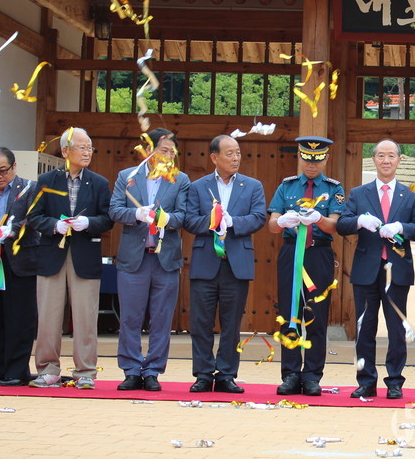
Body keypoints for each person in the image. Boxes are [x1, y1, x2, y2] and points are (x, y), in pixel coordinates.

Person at [336, 139, 415, 400]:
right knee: (365, 327)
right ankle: (366, 381)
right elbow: (342, 224)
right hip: (366, 269)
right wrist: (359, 221)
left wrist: (401, 228)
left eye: (391, 156)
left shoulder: (409, 196)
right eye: (381, 156)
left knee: (397, 329)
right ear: (374, 159)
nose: (386, 161)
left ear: (399, 160)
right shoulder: (359, 193)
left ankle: (395, 381)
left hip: (397, 270)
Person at [28, 128, 114, 389]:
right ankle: (48, 369)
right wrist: (55, 225)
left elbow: (108, 218)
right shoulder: (46, 180)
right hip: (52, 254)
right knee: (48, 317)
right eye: (82, 147)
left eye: (90, 147)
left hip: (84, 255)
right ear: (66, 151)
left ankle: (86, 372)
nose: (87, 152)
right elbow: (33, 216)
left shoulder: (98, 182)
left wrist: (88, 222)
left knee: (86, 317)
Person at [108, 128, 190, 391]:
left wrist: (165, 218)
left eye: (172, 152)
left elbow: (184, 216)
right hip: (134, 258)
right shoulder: (128, 177)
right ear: (149, 150)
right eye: (163, 150)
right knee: (130, 317)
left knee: (161, 318)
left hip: (165, 259)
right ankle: (131, 369)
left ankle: (153, 370)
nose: (168, 156)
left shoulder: (181, 180)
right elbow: (115, 210)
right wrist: (137, 214)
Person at [184, 135, 266, 394]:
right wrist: (212, 220)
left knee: (231, 324)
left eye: (238, 153)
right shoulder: (198, 187)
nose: (235, 158)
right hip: (205, 262)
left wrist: (233, 223)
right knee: (201, 322)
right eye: (229, 153)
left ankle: (227, 374)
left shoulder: (252, 185)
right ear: (214, 157)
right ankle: (204, 374)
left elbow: (259, 217)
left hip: (237, 264)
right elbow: (188, 220)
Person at [268, 136, 345, 396]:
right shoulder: (286, 187)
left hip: (318, 255)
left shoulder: (334, 188)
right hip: (291, 253)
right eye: (307, 159)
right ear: (300, 157)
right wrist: (282, 222)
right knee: (290, 312)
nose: (311, 164)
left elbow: (335, 225)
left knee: (316, 315)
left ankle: (312, 375)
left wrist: (319, 218)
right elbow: (271, 224)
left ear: (325, 159)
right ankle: (290, 374)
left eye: (317, 159)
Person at [0, 147, 39, 386]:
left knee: (19, 317)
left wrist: (13, 230)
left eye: (2, 170)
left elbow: (35, 218)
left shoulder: (28, 189)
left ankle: (17, 371)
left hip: (19, 261)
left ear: (14, 167)